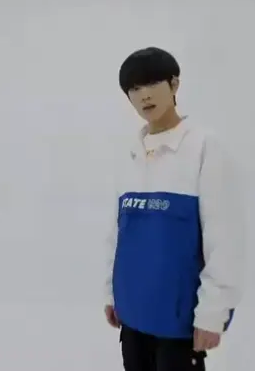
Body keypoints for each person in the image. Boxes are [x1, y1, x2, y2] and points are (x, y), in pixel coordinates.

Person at [103, 46, 246, 371]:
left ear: (174, 84)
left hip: (178, 321)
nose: (144, 95)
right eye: (134, 88)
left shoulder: (204, 148)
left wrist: (213, 313)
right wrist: (112, 294)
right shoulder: (131, 155)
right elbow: (117, 236)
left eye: (153, 83)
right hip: (133, 313)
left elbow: (225, 240)